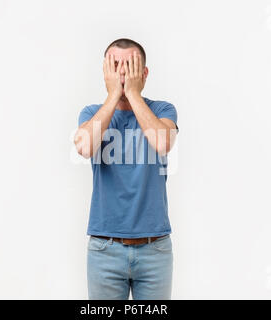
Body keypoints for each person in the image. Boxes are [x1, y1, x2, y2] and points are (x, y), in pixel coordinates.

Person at [73, 38, 179, 300]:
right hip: (104, 249)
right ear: (105, 71)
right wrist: (113, 96)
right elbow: (84, 146)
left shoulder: (163, 110)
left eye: (130, 65)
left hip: (155, 249)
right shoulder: (91, 112)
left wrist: (132, 93)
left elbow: (163, 142)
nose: (122, 73)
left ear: (144, 73)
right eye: (116, 65)